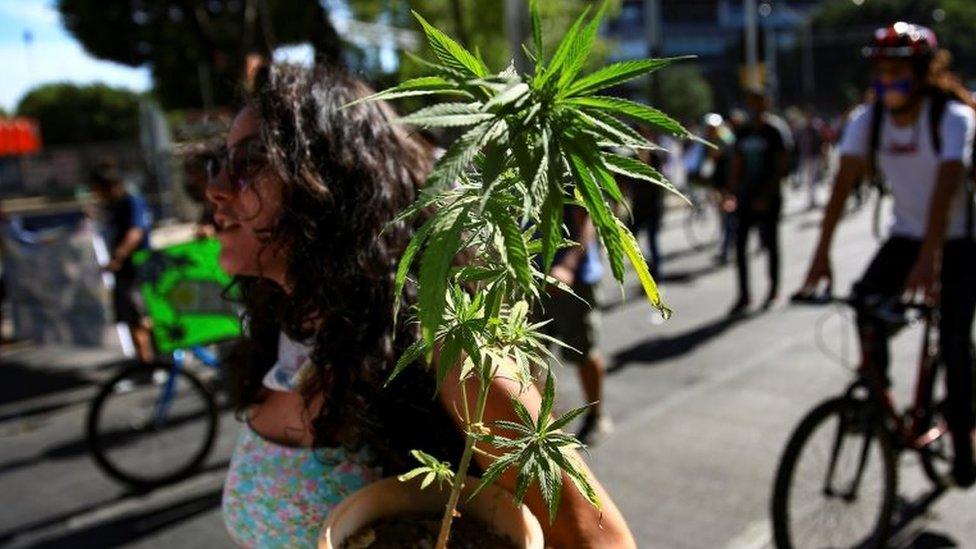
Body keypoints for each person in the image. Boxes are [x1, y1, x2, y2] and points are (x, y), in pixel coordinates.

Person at [210, 63, 636, 548]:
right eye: (217, 163)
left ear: (333, 180)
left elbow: (603, 543)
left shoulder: (446, 348)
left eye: (249, 162)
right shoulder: (284, 329)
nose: (215, 188)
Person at [799, 23, 976, 486]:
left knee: (955, 343)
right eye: (880, 71)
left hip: (958, 241)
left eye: (896, 70)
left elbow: (947, 184)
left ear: (920, 73)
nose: (886, 80)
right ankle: (881, 401)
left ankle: (962, 439)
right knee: (864, 304)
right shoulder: (868, 119)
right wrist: (821, 253)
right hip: (905, 236)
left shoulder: (952, 117)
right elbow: (842, 185)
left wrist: (930, 256)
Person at [542, 205, 612, 445]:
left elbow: (588, 217)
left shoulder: (564, 168)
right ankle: (539, 424)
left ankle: (596, 415)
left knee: (583, 353)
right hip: (532, 275)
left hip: (573, 281)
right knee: (529, 355)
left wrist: (568, 265)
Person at [726, 88, 793, 315]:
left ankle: (773, 289)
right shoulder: (743, 132)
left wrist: (766, 195)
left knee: (771, 245)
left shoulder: (775, 130)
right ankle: (744, 295)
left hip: (769, 198)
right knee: (740, 246)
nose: (754, 107)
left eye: (759, 102)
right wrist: (732, 193)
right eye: (751, 102)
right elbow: (736, 162)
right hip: (745, 198)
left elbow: (782, 166)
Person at [88, 159, 154, 364]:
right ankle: (144, 362)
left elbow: (135, 232)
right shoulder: (112, 206)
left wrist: (118, 257)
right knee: (130, 318)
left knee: (141, 317)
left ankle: (151, 362)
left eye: (98, 190)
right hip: (124, 271)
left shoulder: (131, 201)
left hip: (136, 268)